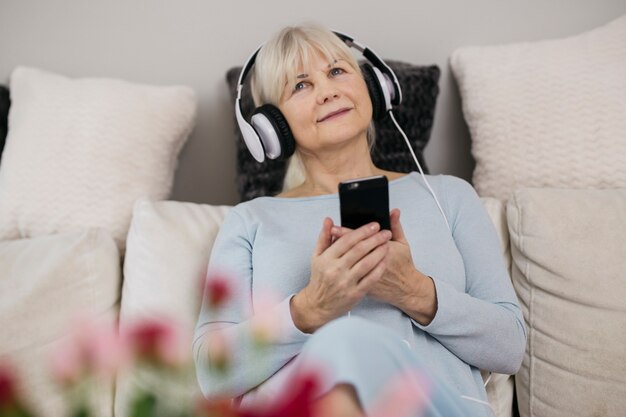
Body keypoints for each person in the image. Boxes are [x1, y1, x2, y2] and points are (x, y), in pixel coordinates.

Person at [193, 23, 526, 417]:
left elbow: (510, 346)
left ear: (373, 87)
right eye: (300, 86)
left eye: (337, 71)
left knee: (350, 339)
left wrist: (414, 291)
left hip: (432, 407)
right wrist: (310, 308)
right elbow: (211, 373)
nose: (328, 90)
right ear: (271, 126)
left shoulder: (449, 196)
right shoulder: (250, 221)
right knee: (344, 341)